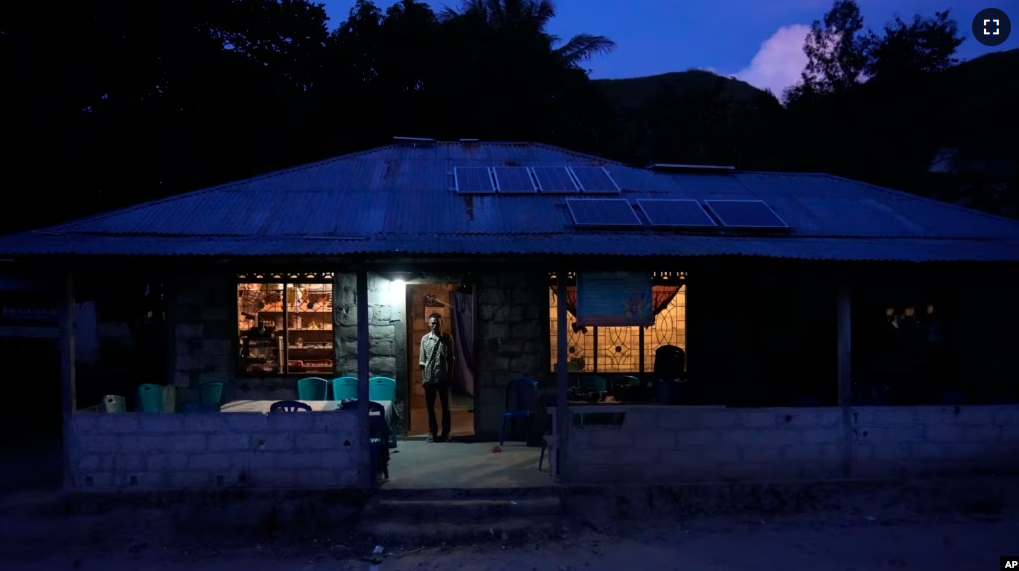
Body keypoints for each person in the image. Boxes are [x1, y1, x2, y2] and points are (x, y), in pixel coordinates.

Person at [419, 312, 454, 442]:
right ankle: (432, 432)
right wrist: (423, 378)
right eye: (432, 323)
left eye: (437, 323)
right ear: (429, 324)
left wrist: (450, 375)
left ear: (441, 323)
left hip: (443, 378)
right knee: (430, 407)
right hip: (430, 378)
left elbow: (451, 359)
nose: (434, 325)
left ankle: (446, 433)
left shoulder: (448, 339)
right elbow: (422, 361)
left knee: (446, 408)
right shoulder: (424, 339)